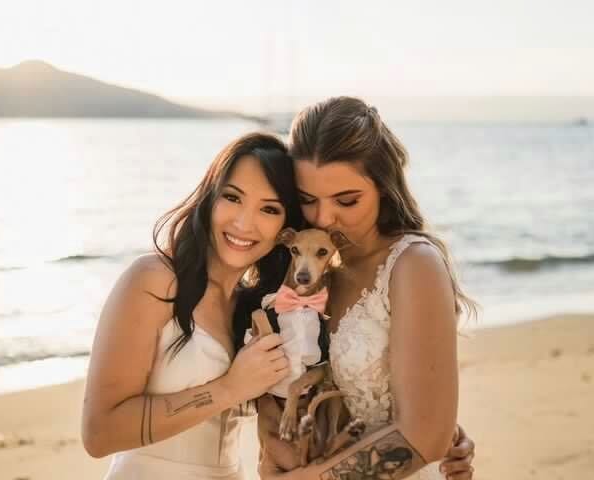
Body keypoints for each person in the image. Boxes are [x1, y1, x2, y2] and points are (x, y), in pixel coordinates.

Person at [81, 131, 476, 480]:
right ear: (209, 196)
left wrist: (432, 429)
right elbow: (99, 435)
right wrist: (228, 388)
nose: (244, 223)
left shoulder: (257, 305)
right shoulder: (154, 279)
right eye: (232, 197)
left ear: (287, 226)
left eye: (269, 208)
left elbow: (327, 378)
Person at [255, 97, 477, 480]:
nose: (325, 217)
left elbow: (426, 435)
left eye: (347, 200)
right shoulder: (310, 271)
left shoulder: (412, 265)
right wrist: (272, 449)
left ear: (383, 187)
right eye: (308, 200)